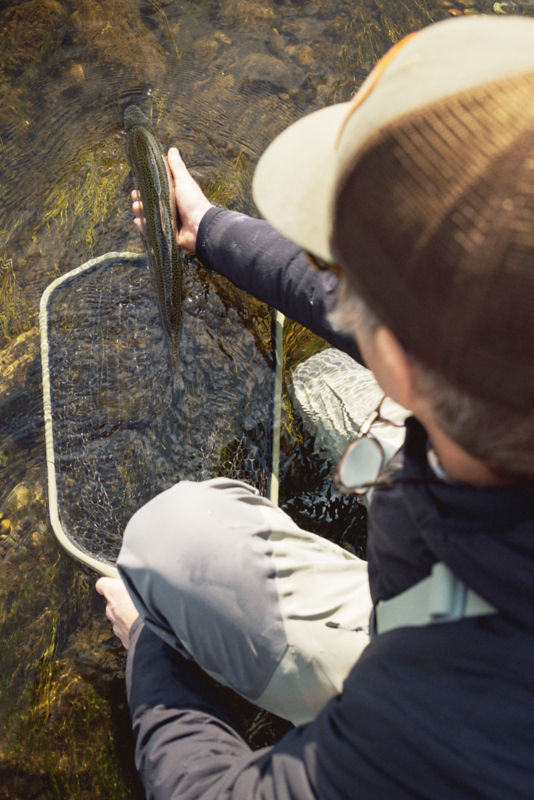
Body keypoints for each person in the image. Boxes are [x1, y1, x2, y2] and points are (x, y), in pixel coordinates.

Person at [96, 14, 534, 799]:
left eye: (351, 270)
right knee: (332, 385)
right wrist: (213, 230)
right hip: (473, 588)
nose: (340, 284)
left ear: (397, 359)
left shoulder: (431, 724)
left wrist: (151, 658)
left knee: (166, 540)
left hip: (445, 673)